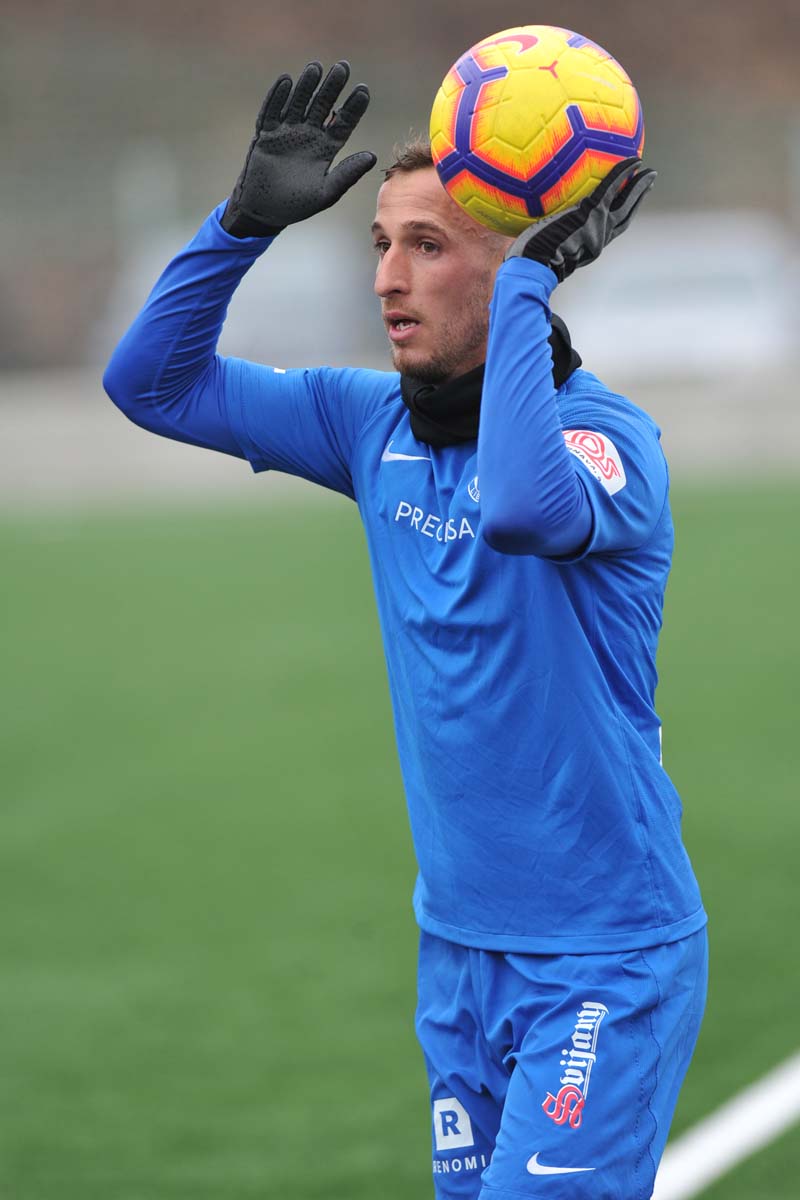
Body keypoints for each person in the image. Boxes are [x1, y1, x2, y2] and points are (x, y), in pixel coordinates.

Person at [104, 60, 707, 1200]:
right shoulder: (367, 421)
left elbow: (522, 506)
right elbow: (152, 387)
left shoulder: (607, 441)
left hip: (602, 959)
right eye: (380, 243)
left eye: (427, 246)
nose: (387, 276)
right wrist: (239, 229)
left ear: (524, 260)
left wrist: (529, 291)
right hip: (459, 953)